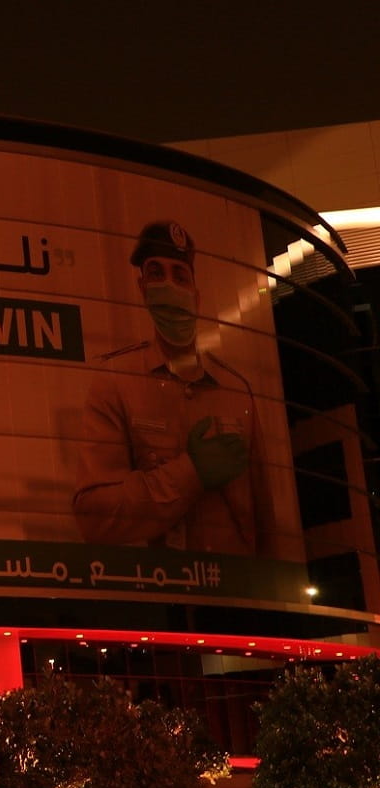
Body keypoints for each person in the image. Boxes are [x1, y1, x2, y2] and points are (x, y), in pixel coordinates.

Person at [73, 220, 269, 556]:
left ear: (196, 293)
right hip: (161, 592)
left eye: (179, 275)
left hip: (235, 592)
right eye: (156, 274)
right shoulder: (116, 382)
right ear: (142, 289)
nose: (169, 285)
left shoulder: (237, 391)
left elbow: (264, 518)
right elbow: (95, 518)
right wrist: (190, 473)